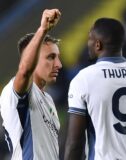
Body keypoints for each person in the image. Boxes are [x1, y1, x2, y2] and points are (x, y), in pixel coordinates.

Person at [64, 17, 126, 160]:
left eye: (90, 39)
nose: (87, 43)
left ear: (98, 45)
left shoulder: (83, 79)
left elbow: (75, 143)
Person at [0, 9, 62, 160]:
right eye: (50, 57)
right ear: (33, 59)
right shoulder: (16, 92)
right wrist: (42, 30)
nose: (59, 64)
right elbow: (25, 71)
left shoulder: (48, 100)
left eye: (57, 57)